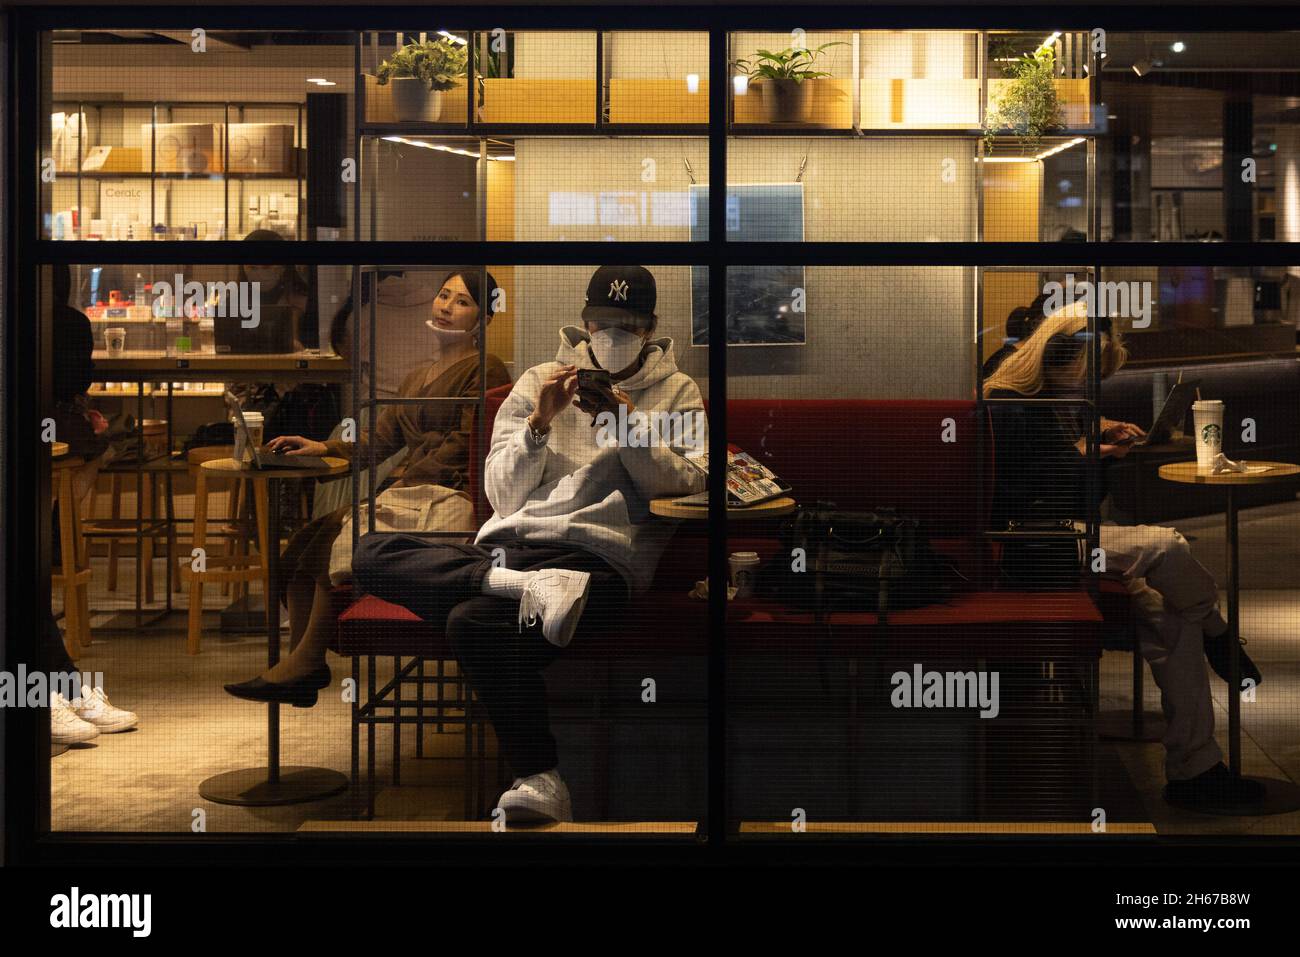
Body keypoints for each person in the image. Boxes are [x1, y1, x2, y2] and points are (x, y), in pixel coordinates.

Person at [349, 265, 706, 823]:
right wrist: (540, 422)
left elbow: (682, 486)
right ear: (585, 322)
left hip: (598, 563)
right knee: (369, 553)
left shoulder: (677, 390)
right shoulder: (540, 379)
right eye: (603, 322)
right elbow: (502, 495)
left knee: (471, 623)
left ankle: (539, 777)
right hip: (514, 554)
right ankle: (515, 586)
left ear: (650, 327)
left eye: (628, 324)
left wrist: (627, 426)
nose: (613, 335)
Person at [985, 302, 1264, 808]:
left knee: (1171, 619)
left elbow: (1082, 489)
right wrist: (1086, 454)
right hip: (1038, 542)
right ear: (1055, 358)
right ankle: (1220, 635)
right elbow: (1016, 495)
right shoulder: (1007, 403)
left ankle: (1195, 771)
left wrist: (1098, 440)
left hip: (1080, 533)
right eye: (1085, 375)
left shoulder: (1067, 401)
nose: (1089, 388)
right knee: (1166, 543)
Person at [224, 270, 510, 697]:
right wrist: (323, 446)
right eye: (444, 296)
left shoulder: (486, 369)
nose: (447, 307)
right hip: (414, 495)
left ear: (484, 318)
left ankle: (304, 664)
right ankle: (299, 663)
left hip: (450, 499)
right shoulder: (420, 375)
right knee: (303, 545)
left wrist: (401, 481)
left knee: (336, 538)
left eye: (463, 302)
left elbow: (465, 446)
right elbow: (381, 438)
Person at [47, 263, 138, 744]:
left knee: (24, 577)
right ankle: (51, 690)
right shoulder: (67, 322)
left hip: (50, 442)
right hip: (64, 437)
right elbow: (75, 381)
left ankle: (55, 688)